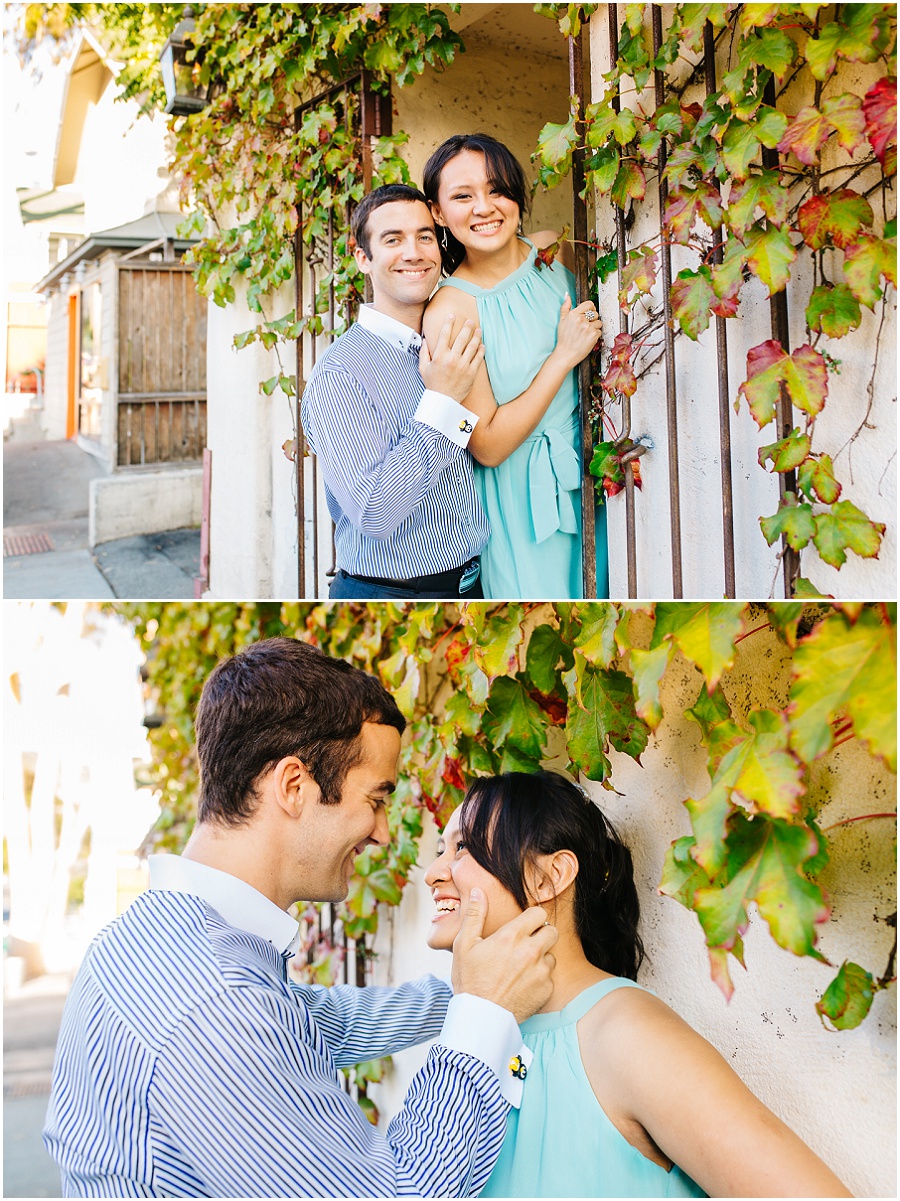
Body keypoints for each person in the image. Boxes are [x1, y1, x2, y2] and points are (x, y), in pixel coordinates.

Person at [43, 638, 559, 1198]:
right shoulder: (214, 1003)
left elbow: (313, 1023)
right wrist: (483, 1014)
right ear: (294, 786)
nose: (384, 833)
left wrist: (468, 989)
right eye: (377, 799)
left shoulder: (155, 938)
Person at [423, 771, 852, 1198]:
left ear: (549, 877)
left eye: (463, 847)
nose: (433, 873)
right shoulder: (477, 1039)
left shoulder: (627, 1034)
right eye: (440, 849)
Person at [422, 133, 606, 601]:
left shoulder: (556, 251)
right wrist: (563, 356)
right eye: (463, 196)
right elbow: (486, 444)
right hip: (522, 502)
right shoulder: (451, 309)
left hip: (594, 472)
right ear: (439, 212)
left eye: (497, 189)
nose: (484, 207)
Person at [301, 183, 491, 600]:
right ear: (363, 259)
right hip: (388, 594)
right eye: (393, 240)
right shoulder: (340, 373)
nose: (414, 252)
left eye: (425, 236)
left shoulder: (449, 339)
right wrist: (441, 402)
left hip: (475, 587)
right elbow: (373, 511)